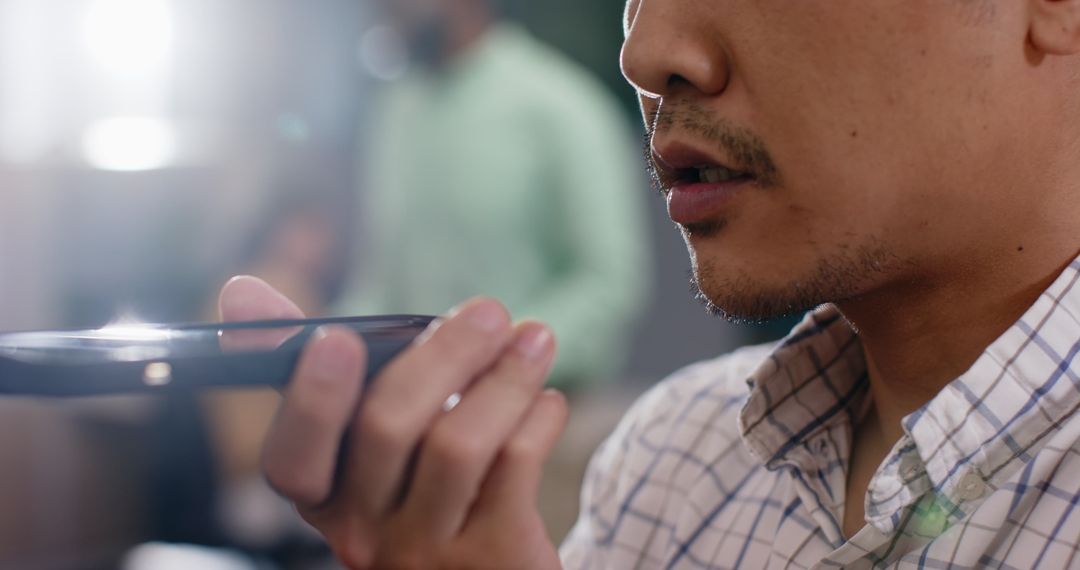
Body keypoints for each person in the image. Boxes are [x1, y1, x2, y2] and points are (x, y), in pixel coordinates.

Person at [217, 0, 1080, 567]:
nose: (644, 50)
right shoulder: (667, 459)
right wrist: (351, 356)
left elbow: (605, 281)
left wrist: (489, 366)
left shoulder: (550, 107)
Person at [337, 0, 651, 389]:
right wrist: (332, 348)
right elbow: (380, 280)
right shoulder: (395, 111)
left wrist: (486, 358)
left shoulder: (562, 106)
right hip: (407, 399)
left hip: (538, 406)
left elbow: (607, 283)